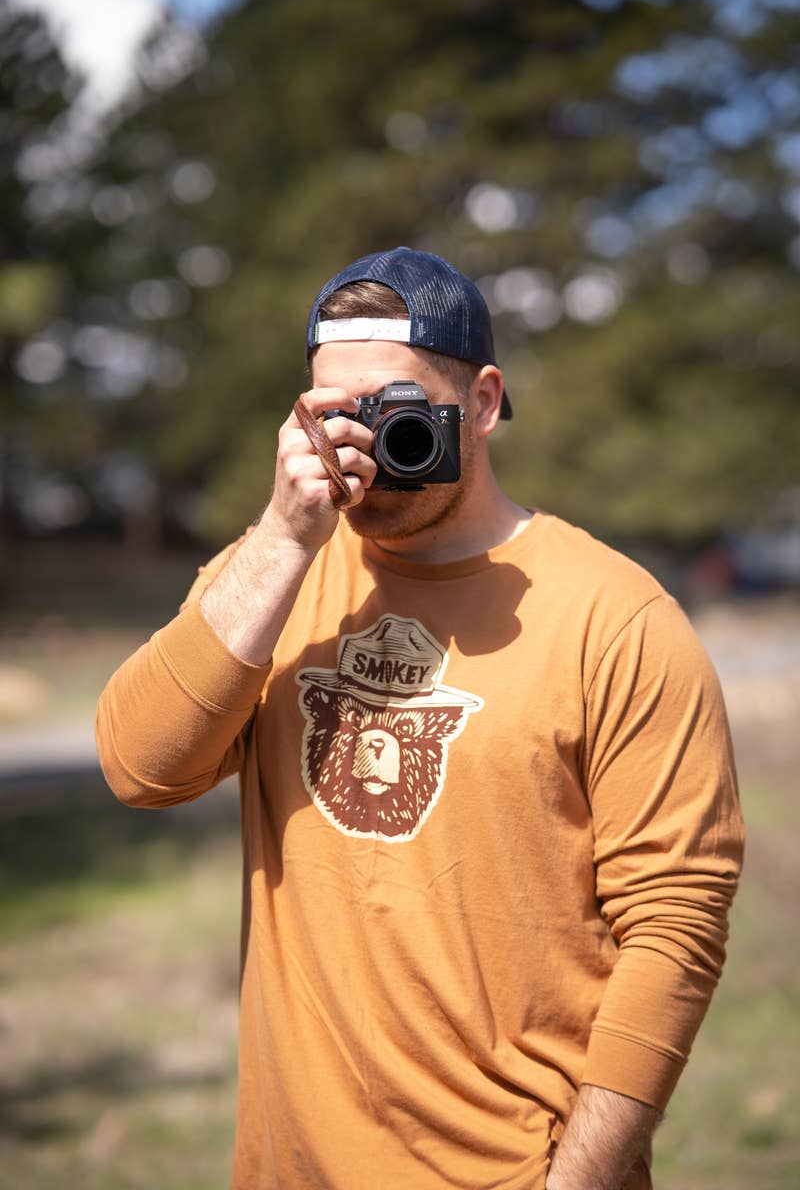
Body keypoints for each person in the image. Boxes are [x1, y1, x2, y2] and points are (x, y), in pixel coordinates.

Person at [96, 247, 744, 1190]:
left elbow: (676, 928)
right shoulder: (275, 575)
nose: (368, 440)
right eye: (337, 411)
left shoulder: (617, 618)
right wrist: (283, 536)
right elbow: (140, 768)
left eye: (399, 408)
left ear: (482, 403)